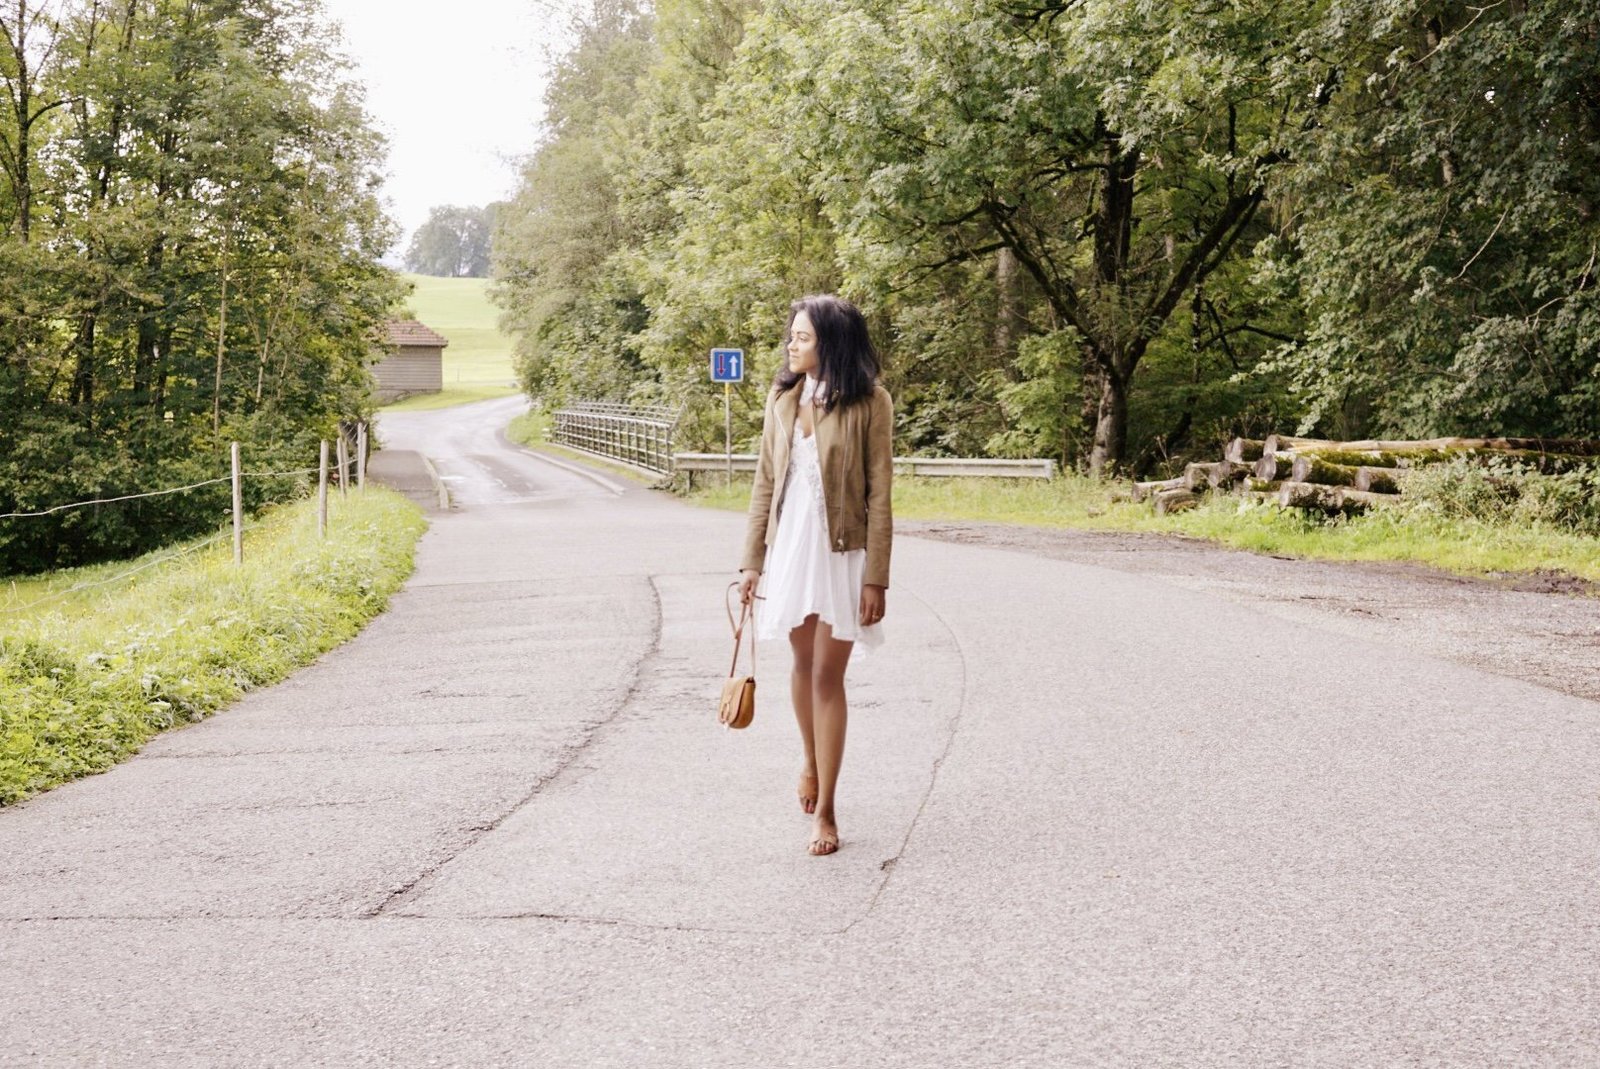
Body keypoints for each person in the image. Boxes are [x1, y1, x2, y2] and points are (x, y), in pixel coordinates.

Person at [737, 294, 894, 857]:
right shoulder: (782, 398)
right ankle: (809, 758)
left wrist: (877, 576)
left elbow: (880, 493)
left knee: (829, 676)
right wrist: (752, 561)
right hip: (790, 551)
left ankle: (826, 808)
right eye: (792, 336)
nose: (792, 345)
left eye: (802, 337)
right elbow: (762, 485)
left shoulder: (870, 402)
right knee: (800, 665)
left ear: (830, 342)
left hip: (842, 552)